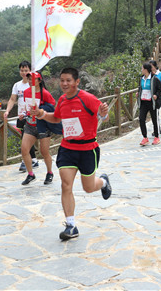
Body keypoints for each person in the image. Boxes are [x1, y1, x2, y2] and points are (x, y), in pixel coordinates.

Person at [30, 67, 112, 241]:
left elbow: (103, 116)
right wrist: (42, 114)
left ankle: (104, 182)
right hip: (68, 148)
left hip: (88, 149)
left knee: (88, 188)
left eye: (68, 80)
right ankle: (70, 225)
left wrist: (104, 115)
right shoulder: (62, 100)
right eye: (62, 80)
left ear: (77, 82)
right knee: (66, 185)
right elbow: (57, 118)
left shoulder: (87, 99)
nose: (64, 84)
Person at [20, 72, 55, 186]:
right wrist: (24, 114)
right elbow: (26, 108)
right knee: (24, 149)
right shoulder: (26, 92)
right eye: (29, 79)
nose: (30, 81)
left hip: (43, 126)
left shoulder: (45, 93)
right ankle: (31, 174)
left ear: (39, 81)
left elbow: (52, 107)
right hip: (30, 125)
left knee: (44, 152)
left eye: (33, 79)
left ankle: (50, 172)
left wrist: (41, 110)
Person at [3, 60, 37, 172]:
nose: (23, 72)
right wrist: (7, 111)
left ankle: (25, 161)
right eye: (22, 70)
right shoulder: (17, 85)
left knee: (25, 139)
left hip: (31, 116)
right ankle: (34, 160)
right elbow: (13, 99)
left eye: (26, 70)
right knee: (25, 137)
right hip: (21, 116)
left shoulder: (34, 83)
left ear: (30, 71)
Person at [138, 62, 161, 146]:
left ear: (146, 70)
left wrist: (156, 95)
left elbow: (159, 89)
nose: (141, 70)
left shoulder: (154, 79)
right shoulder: (141, 79)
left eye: (142, 69)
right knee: (141, 119)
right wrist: (139, 93)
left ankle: (156, 137)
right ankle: (145, 137)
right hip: (143, 102)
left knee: (154, 119)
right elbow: (140, 88)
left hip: (152, 102)